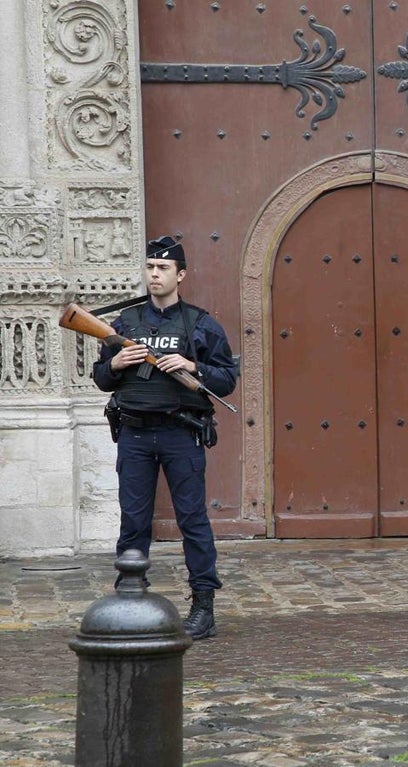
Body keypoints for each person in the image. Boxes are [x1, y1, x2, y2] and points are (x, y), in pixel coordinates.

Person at [92, 236, 238, 640]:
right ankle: (129, 599)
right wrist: (117, 362)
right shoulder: (125, 322)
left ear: (181, 275)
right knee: (133, 520)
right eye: (150, 267)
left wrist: (194, 365)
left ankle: (203, 605)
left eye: (163, 268)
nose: (154, 274)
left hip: (180, 433)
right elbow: (101, 378)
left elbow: (226, 381)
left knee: (193, 521)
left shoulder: (200, 323)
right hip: (135, 434)